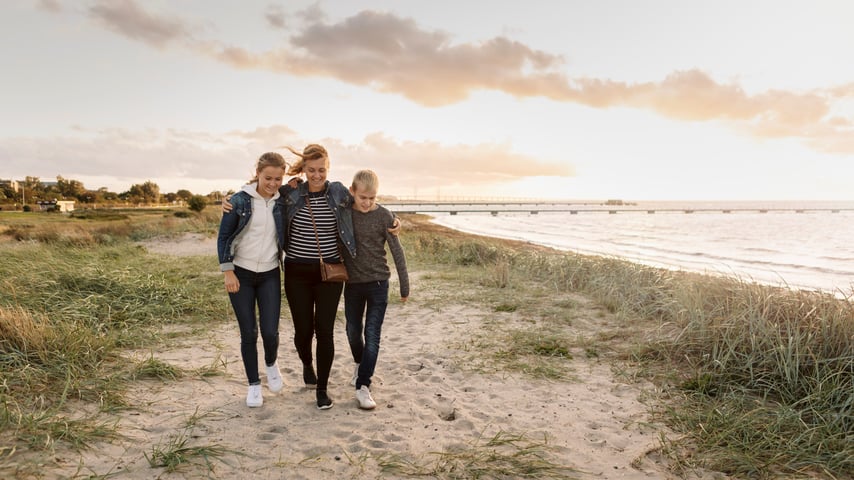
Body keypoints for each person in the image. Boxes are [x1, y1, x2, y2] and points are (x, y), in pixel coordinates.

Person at [223, 144, 401, 410]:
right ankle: (307, 364)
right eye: (311, 170)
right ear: (303, 170)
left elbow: (366, 198)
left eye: (321, 170)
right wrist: (229, 199)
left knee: (325, 331)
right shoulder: (291, 192)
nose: (316, 175)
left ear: (328, 169)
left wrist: (394, 218)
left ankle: (322, 389)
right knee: (303, 332)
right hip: (297, 271)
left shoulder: (339, 191)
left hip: (330, 272)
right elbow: (260, 191)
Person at [216, 152, 287, 408]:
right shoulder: (239, 201)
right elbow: (223, 237)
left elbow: (306, 190)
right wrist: (228, 271)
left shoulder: (283, 200)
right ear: (258, 173)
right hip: (241, 274)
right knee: (249, 332)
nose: (272, 183)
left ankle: (271, 363)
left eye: (278, 179)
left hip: (269, 273)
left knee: (270, 331)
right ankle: (254, 385)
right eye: (268, 177)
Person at [342, 169, 409, 410]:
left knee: (372, 335)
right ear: (353, 192)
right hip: (352, 285)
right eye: (363, 198)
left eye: (372, 198)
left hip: (379, 284)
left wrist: (404, 286)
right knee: (352, 331)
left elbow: (397, 251)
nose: (368, 203)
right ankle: (360, 364)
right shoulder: (344, 212)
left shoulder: (384, 216)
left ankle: (363, 385)